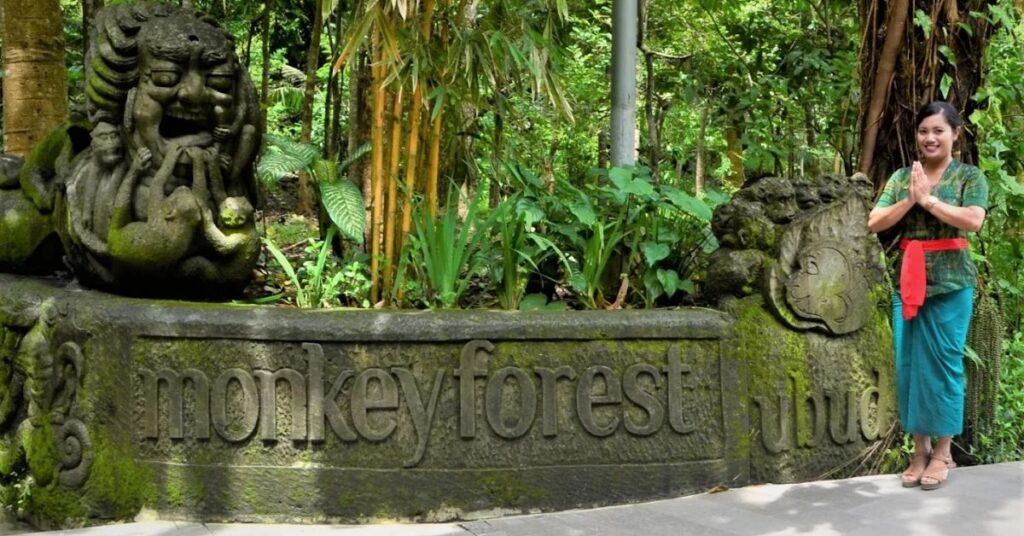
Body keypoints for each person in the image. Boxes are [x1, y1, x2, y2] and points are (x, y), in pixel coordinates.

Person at [867, 101, 989, 490]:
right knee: (909, 363)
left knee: (944, 362)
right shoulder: (905, 176)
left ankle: (942, 451)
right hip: (910, 278)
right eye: (924, 131)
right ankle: (918, 450)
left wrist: (931, 201)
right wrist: (911, 198)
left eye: (939, 130)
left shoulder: (968, 175)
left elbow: (973, 219)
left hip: (952, 283)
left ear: (955, 134)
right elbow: (873, 221)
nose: (930, 137)